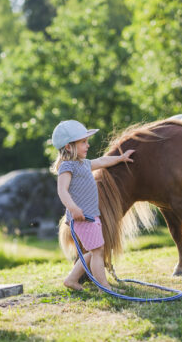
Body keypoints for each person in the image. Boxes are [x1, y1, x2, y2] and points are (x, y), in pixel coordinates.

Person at [51, 119, 135, 291]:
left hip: (91, 216)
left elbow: (102, 161)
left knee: (93, 251)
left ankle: (71, 280)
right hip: (82, 217)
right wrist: (73, 208)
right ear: (69, 147)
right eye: (83, 142)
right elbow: (62, 190)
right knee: (98, 252)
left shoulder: (84, 164)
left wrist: (121, 158)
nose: (87, 145)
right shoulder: (67, 166)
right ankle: (104, 287)